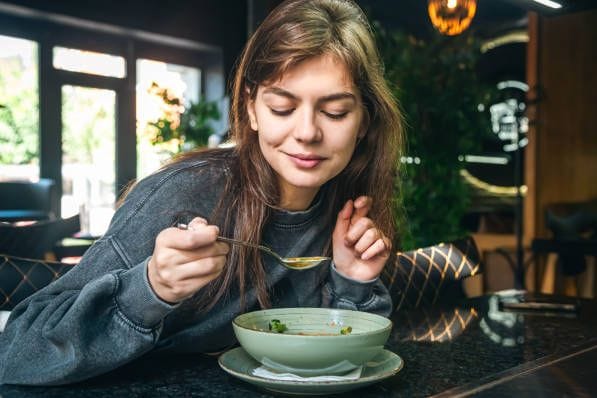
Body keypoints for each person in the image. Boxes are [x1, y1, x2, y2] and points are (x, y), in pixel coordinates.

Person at [0, 0, 403, 385]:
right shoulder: (184, 196)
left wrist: (350, 281)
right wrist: (152, 287)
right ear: (251, 109)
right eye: (282, 107)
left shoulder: (344, 210)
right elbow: (16, 350)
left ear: (364, 122)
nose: (307, 132)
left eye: (335, 112)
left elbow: (336, 363)